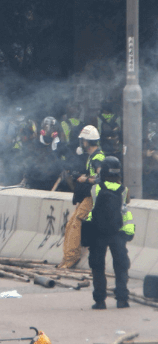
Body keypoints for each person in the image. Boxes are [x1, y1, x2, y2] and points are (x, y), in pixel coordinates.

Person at [84, 156, 135, 309]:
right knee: (120, 265)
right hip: (118, 232)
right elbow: (127, 202)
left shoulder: (96, 188)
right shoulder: (124, 190)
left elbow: (91, 203)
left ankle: (100, 301)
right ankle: (122, 299)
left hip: (98, 232)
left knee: (98, 266)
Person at [59, 125, 105, 269]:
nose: (81, 143)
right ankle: (66, 257)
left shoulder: (98, 157)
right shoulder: (91, 157)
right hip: (88, 196)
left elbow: (100, 178)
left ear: (86, 142)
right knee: (70, 224)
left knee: (75, 223)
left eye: (83, 141)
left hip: (94, 197)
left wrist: (84, 179)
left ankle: (72, 257)